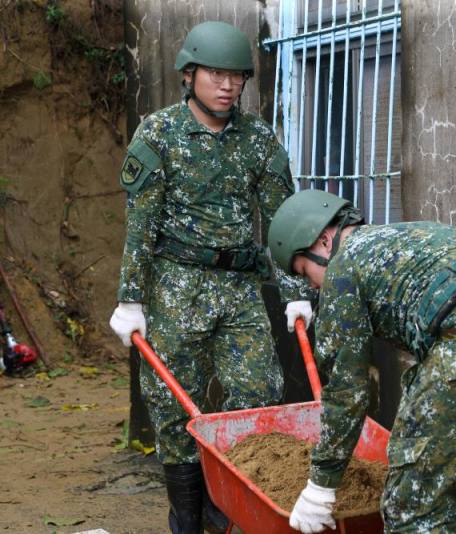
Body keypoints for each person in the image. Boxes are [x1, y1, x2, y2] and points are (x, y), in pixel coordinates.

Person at [108, 21, 313, 534]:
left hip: (241, 290)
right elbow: (141, 223)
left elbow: (282, 221)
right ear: (189, 74)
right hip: (175, 287)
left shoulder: (258, 139)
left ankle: (227, 508)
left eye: (237, 76)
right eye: (216, 74)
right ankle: (187, 514)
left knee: (257, 393)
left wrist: (294, 293)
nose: (227, 85)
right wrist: (130, 298)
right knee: (174, 402)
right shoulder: (159, 132)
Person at [268, 190, 456, 533]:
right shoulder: (416, 234)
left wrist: (321, 487)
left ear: (324, 240)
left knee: (411, 509)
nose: (312, 285)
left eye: (306, 273)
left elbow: (346, 392)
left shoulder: (344, 265)